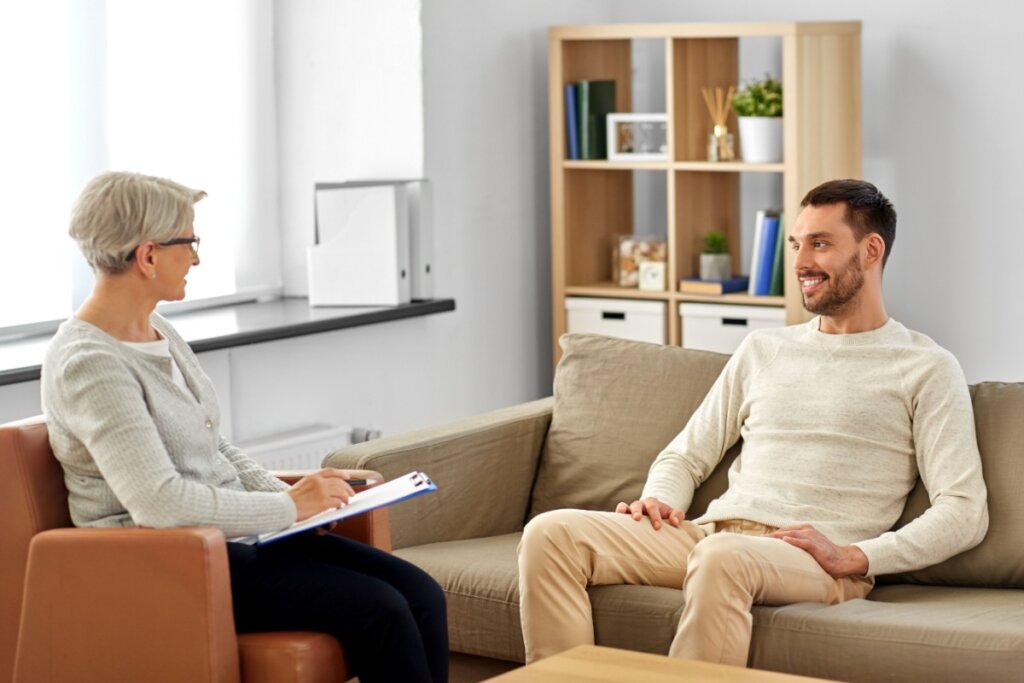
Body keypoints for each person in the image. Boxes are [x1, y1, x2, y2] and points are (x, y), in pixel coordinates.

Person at [517, 178, 989, 667]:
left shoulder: (926, 366)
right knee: (551, 534)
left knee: (723, 558)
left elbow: (964, 510)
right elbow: (686, 454)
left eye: (820, 244)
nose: (801, 262)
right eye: (795, 244)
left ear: (871, 250)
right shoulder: (764, 349)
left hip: (814, 564)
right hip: (711, 537)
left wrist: (857, 557)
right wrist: (660, 501)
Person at [41, 171, 448, 683]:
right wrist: (283, 507)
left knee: (422, 594)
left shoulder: (156, 328)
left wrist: (294, 505)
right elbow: (158, 503)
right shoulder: (89, 362)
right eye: (189, 242)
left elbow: (212, 445)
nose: (197, 257)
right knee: (381, 610)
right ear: (147, 256)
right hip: (166, 564)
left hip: (233, 545)